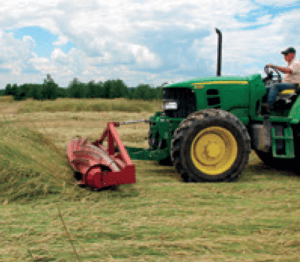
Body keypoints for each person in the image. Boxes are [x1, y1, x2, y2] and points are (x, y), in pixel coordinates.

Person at [262, 47, 300, 113]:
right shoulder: (290, 64)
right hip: (287, 84)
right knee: (264, 88)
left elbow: (287, 71)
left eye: (286, 54)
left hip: (294, 85)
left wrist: (275, 66)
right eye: (284, 55)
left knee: (276, 86)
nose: (284, 56)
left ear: (292, 54)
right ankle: (260, 107)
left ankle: (269, 106)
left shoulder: (296, 63)